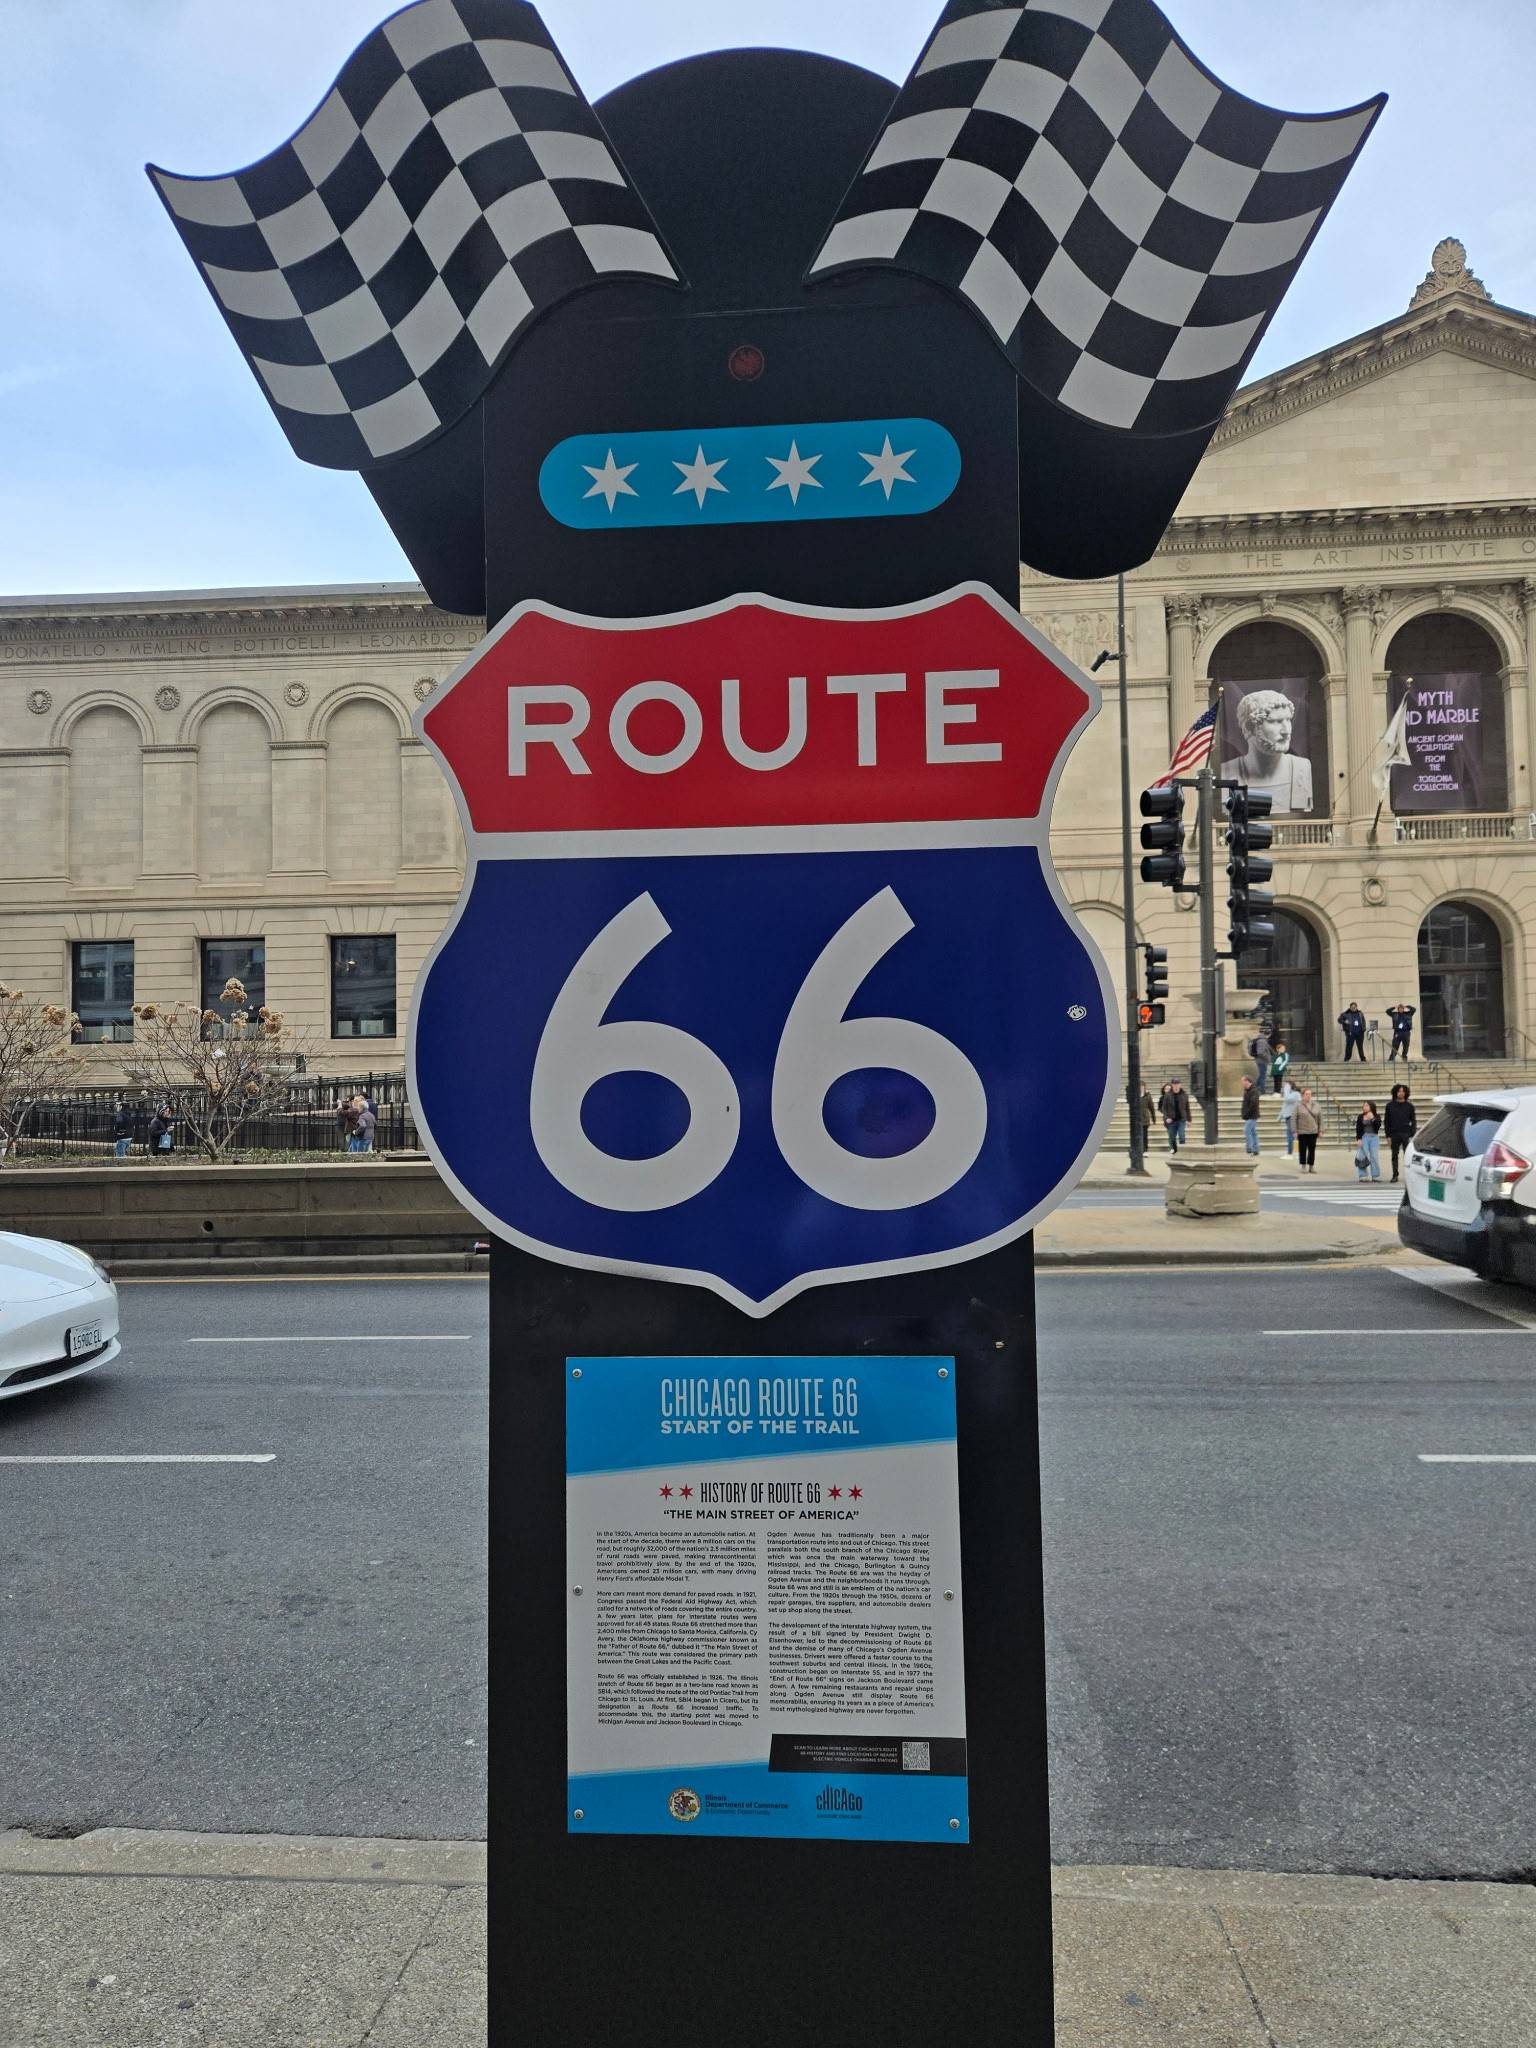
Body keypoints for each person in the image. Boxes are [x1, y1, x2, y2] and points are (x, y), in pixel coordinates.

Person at [1384, 1083, 1417, 1181]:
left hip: (1406, 1134)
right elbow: (1386, 1121)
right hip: (1394, 1134)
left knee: (1408, 1155)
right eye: (1399, 1091)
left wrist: (1412, 1133)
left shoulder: (1410, 1106)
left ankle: (1409, 1175)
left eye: (1403, 1091)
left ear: (1406, 1093)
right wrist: (1388, 1136)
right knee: (1394, 1155)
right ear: (1395, 1092)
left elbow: (1413, 1120)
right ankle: (1395, 1175)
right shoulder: (1389, 1106)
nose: (1401, 1093)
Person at [1158, 1077, 1191, 1153]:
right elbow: (1164, 1108)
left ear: (1180, 1085)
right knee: (1172, 1137)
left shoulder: (1184, 1095)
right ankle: (1175, 1151)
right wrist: (1167, 1118)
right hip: (1172, 1120)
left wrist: (1189, 1120)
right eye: (1174, 1084)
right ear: (1172, 1085)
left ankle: (1182, 1151)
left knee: (1182, 1136)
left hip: (1181, 1119)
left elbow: (1187, 1108)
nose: (1176, 1086)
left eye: (1177, 1084)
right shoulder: (1167, 1095)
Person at [1293, 1087, 1321, 1172]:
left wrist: (1321, 1130)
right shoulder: (1297, 1105)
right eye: (1307, 1094)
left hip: (1313, 1131)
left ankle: (1311, 1166)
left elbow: (1320, 1118)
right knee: (1303, 1150)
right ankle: (1303, 1166)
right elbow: (1293, 1118)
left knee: (1312, 1150)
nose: (1309, 1096)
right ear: (1302, 1095)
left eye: (1310, 1094)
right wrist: (1294, 1131)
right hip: (1302, 1131)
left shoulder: (1316, 1105)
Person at [1355, 1100, 1382, 1182]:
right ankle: (1363, 1175)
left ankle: (1376, 1176)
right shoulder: (1360, 1116)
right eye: (1364, 1106)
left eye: (1367, 1105)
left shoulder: (1376, 1116)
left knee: (1374, 1157)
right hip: (1364, 1137)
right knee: (1362, 1156)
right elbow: (1358, 1129)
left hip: (1374, 1137)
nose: (1365, 1107)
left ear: (1371, 1106)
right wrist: (1359, 1139)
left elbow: (1378, 1127)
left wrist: (1372, 1119)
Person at [1240, 1072, 1262, 1156]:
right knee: (1253, 1132)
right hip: (1249, 1116)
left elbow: (1253, 1104)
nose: (1242, 1083)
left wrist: (1246, 1113)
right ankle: (1255, 1149)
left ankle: (1250, 1149)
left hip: (1252, 1116)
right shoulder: (1247, 1091)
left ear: (1247, 1081)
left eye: (1243, 1081)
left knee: (1247, 1131)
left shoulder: (1254, 1091)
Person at [1278, 1077, 1302, 1156]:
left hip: (1292, 1116)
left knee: (1291, 1135)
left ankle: (1290, 1153)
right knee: (1290, 1134)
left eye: (1286, 1085)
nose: (1284, 1087)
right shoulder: (1291, 1094)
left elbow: (1287, 1099)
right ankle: (1291, 1152)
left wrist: (1287, 1089)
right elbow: (1285, 1106)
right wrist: (1280, 1116)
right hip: (1288, 1116)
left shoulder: (1296, 1094)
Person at [1249, 1024, 1272, 1096]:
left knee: (1261, 1076)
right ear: (1268, 1034)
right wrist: (1267, 1058)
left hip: (1261, 1061)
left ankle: (1254, 1089)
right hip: (1262, 1061)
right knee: (1262, 1076)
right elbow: (1260, 1052)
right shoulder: (1262, 1041)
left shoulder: (1261, 1040)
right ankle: (1261, 1090)